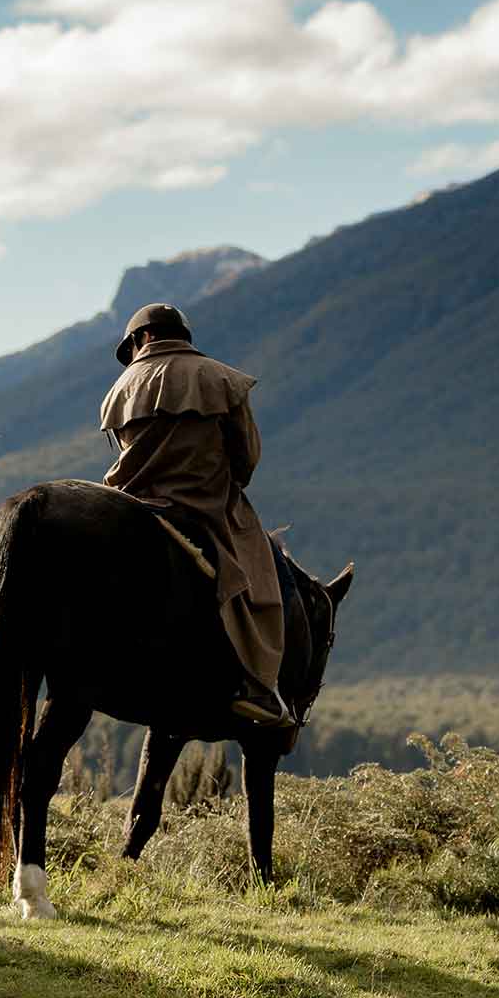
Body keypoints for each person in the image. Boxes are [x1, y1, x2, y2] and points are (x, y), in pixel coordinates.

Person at [99, 302, 294, 729]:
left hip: (133, 502)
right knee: (261, 572)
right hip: (203, 504)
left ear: (139, 340)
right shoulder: (223, 380)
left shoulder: (120, 389)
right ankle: (258, 687)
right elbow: (246, 459)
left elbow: (125, 454)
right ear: (181, 336)